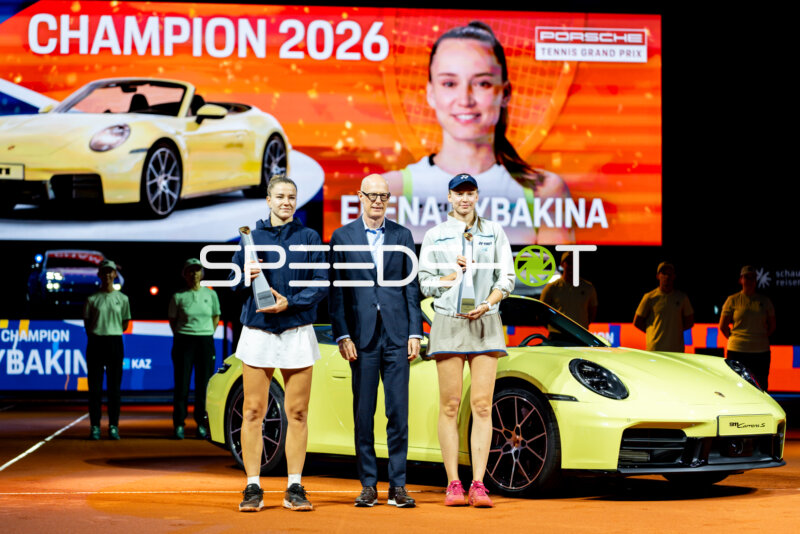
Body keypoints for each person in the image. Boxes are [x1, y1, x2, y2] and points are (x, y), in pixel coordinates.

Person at [384, 21, 573, 244]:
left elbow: (557, 278)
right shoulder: (389, 192)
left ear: (505, 93)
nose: (465, 100)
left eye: (482, 83)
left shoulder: (545, 191)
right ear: (430, 93)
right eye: (449, 83)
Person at [418, 173, 515, 508]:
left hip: (486, 321)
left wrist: (488, 302)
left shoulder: (495, 232)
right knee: (450, 405)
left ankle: (478, 483)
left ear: (477, 196)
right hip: (448, 321)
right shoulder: (435, 235)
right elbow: (424, 282)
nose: (464, 199)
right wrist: (450, 278)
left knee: (483, 406)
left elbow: (508, 277)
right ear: (449, 197)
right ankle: (453, 483)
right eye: (459, 193)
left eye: (470, 193)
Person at [231, 176, 328, 512]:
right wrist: (246, 274)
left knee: (297, 412)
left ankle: (295, 487)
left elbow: (322, 284)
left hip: (297, 329)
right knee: (253, 411)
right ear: (268, 200)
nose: (286, 202)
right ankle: (253, 487)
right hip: (258, 331)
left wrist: (292, 302)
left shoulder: (309, 237)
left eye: (292, 197)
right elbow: (232, 284)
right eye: (280, 196)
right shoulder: (250, 237)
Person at [328, 174, 422, 508]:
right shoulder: (342, 237)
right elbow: (336, 291)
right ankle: (368, 483)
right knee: (363, 413)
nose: (378, 201)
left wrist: (416, 332)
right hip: (361, 337)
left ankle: (398, 485)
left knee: (398, 413)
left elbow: (412, 287)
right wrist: (342, 334)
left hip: (397, 335)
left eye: (384, 196)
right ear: (360, 197)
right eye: (372, 195)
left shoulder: (402, 235)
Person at [168, 258, 220, 440]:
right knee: (181, 385)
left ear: (202, 273)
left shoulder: (211, 295)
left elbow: (215, 316)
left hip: (205, 341)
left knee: (203, 386)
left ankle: (201, 425)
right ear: (185, 274)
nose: (194, 274)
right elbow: (173, 321)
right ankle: (179, 425)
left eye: (197, 270)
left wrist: (206, 333)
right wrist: (185, 333)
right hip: (184, 341)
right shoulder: (178, 296)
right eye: (190, 270)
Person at [83, 259, 130, 441]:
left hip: (114, 342)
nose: (108, 275)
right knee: (94, 389)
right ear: (99, 275)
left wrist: (111, 331)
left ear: (115, 275)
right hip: (96, 342)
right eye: (104, 272)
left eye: (110, 272)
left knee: (114, 389)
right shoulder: (92, 299)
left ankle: (113, 427)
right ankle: (95, 426)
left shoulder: (123, 299)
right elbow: (87, 324)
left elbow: (125, 323)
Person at [719, 266, 776, 390]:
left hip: (760, 351)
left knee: (761, 386)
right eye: (746, 277)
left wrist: (758, 338)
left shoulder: (765, 301)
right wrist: (737, 339)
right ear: (741, 280)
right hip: (737, 350)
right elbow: (723, 326)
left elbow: (772, 326)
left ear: (756, 280)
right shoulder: (732, 300)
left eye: (752, 277)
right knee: (734, 384)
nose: (749, 280)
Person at [634, 262, 694, 352]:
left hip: (676, 350)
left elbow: (690, 321)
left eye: (670, 274)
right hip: (655, 349)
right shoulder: (650, 297)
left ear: (674, 276)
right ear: (658, 276)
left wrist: (673, 332)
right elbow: (637, 321)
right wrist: (653, 333)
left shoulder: (682, 298)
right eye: (664, 274)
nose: (667, 277)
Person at [540, 251, 598, 329]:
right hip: (557, 335)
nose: (572, 266)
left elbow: (592, 312)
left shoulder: (588, 287)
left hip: (580, 335)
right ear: (562, 265)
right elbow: (541, 313)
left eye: (575, 263)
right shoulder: (551, 287)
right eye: (569, 263)